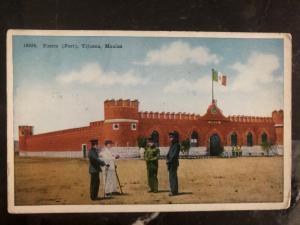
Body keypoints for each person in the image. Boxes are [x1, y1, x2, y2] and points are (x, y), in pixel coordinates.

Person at [166, 132, 180, 196]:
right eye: (170, 137)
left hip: (173, 163)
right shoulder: (172, 145)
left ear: (175, 138)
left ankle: (174, 191)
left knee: (173, 177)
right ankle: (173, 190)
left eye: (171, 137)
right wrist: (167, 158)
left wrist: (169, 160)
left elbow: (174, 155)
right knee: (171, 177)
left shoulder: (177, 145)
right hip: (170, 163)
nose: (170, 138)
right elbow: (169, 153)